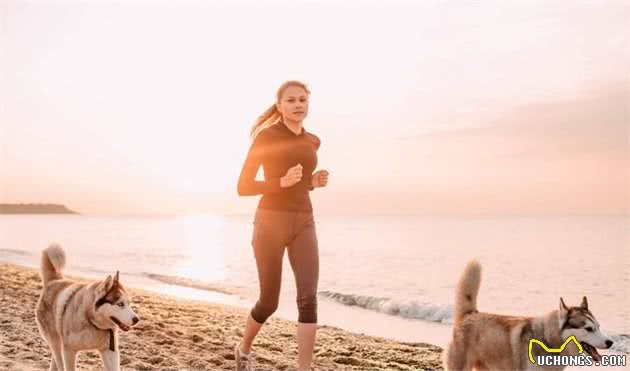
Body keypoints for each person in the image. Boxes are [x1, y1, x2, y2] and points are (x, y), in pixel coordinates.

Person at [234, 80, 328, 371]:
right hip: (270, 223)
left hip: (304, 221)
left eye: (303, 100)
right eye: (291, 100)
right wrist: (280, 182)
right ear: (279, 106)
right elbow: (243, 186)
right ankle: (244, 348)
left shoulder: (313, 140)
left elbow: (300, 184)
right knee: (269, 302)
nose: (298, 105)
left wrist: (311, 183)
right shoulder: (267, 137)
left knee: (308, 298)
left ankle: (304, 368)